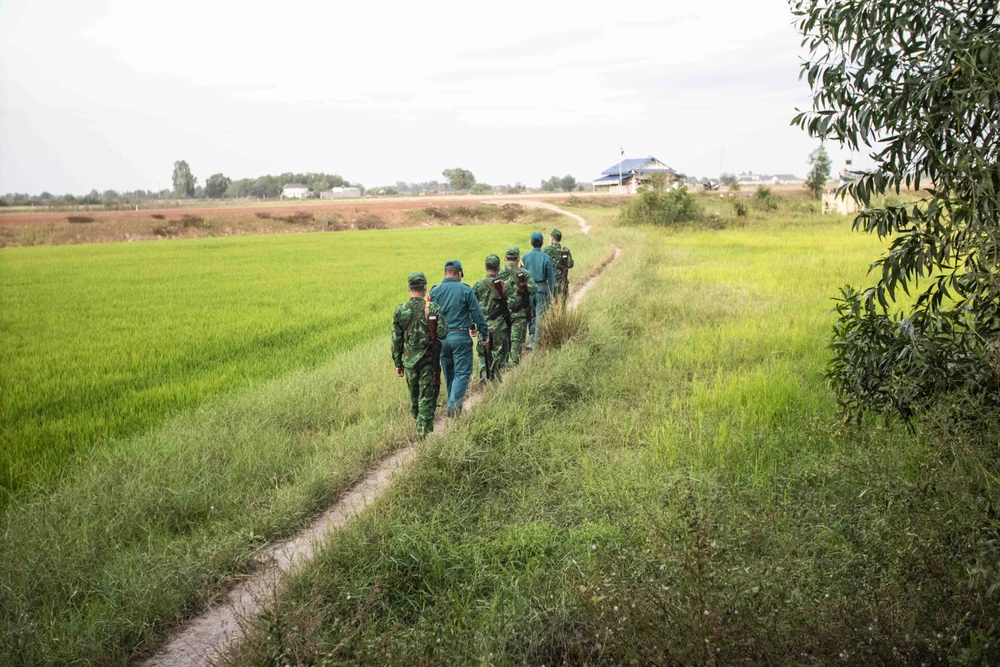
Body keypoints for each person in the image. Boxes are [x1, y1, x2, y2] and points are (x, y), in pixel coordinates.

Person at [430, 260, 490, 417]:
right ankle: (453, 405)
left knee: (449, 373)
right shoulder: (465, 290)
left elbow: (429, 315)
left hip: (441, 339)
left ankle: (455, 408)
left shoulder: (435, 291)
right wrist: (484, 334)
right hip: (460, 336)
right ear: (459, 274)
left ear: (445, 273)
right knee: (462, 373)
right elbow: (477, 314)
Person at [391, 272, 449, 438]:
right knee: (426, 398)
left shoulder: (400, 311)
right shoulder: (433, 308)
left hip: (409, 362)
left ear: (409, 288)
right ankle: (423, 436)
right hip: (428, 361)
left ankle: (420, 427)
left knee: (415, 398)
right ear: (425, 288)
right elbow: (443, 333)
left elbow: (396, 341)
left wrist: (398, 363)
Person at [472, 254, 513, 383]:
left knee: (484, 356)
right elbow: (512, 305)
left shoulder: (478, 286)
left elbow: (472, 308)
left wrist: (472, 326)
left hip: (483, 328)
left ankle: (484, 379)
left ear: (485, 267)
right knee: (499, 356)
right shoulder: (505, 285)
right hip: (500, 328)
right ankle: (496, 383)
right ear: (499, 268)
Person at [498, 246, 537, 367]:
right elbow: (533, 289)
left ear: (505, 258)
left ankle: (502, 368)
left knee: (504, 343)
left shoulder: (499, 274)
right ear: (518, 258)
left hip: (502, 314)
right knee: (516, 342)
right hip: (519, 313)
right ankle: (512, 369)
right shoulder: (524, 273)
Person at [521, 231, 556, 351]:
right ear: (542, 243)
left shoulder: (524, 258)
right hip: (542, 290)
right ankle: (537, 344)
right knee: (540, 316)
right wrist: (553, 296)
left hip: (529, 291)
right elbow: (551, 279)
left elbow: (521, 276)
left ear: (531, 243)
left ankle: (532, 341)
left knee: (531, 316)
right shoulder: (547, 258)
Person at [543, 228, 575, 306]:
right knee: (562, 306)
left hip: (550, 283)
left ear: (552, 238)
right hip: (563, 283)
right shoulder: (565, 250)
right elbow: (570, 264)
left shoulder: (547, 250)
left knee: (550, 306)